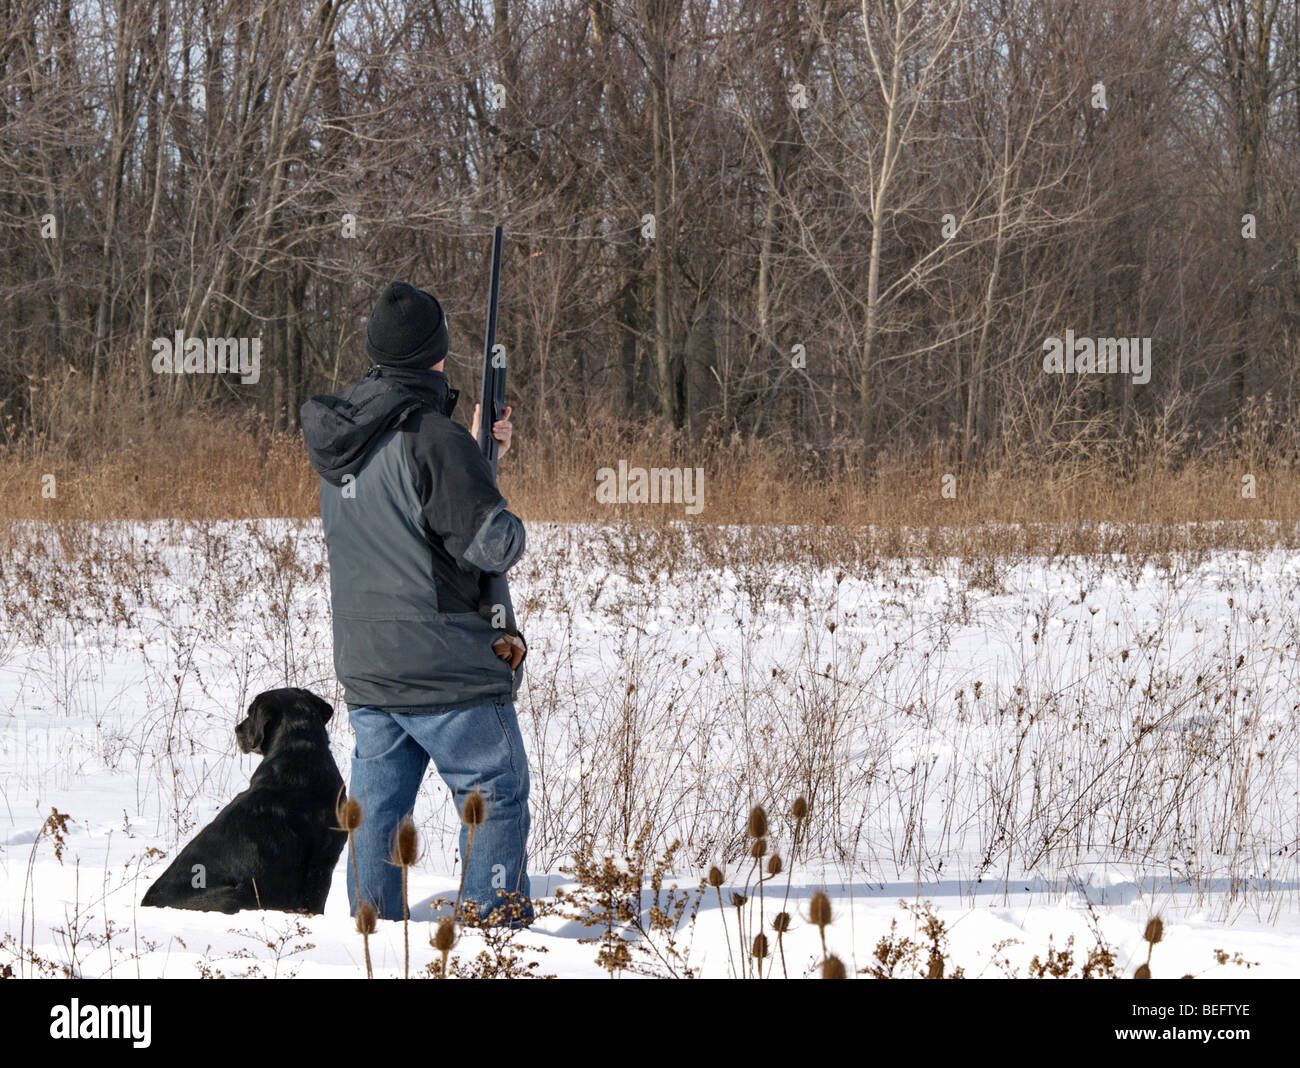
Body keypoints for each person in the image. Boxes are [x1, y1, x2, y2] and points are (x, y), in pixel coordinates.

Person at [300, 279, 532, 927]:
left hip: (369, 665)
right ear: (438, 354)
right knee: (496, 790)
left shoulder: (342, 438)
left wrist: (477, 457)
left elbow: (416, 528)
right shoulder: (435, 437)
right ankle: (493, 936)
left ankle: (369, 936)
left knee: (375, 807)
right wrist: (479, 470)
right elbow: (492, 543)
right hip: (445, 660)